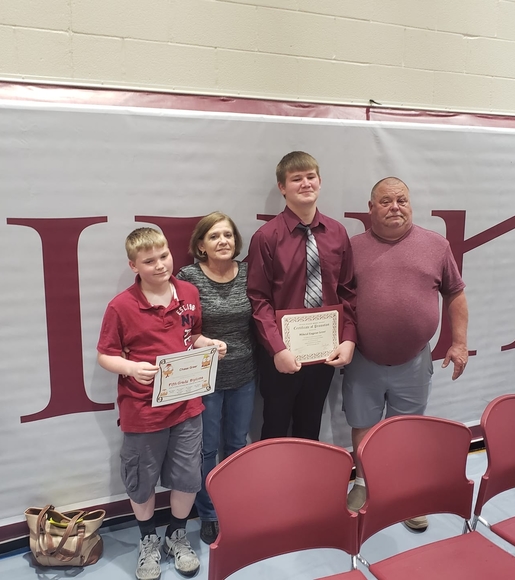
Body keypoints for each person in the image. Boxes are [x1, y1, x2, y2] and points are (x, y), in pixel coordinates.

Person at [97, 227, 226, 580]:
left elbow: (192, 335)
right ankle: (148, 540)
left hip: (187, 406)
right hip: (142, 411)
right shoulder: (121, 306)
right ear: (133, 266)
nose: (160, 265)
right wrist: (130, 368)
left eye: (164, 256)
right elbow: (105, 355)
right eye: (149, 261)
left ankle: (176, 535)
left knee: (187, 477)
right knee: (141, 480)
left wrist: (209, 344)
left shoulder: (188, 292)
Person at [343, 177, 469, 532]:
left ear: (410, 205)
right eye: (386, 201)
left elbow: (455, 294)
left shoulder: (436, 245)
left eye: (401, 200)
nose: (395, 207)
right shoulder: (351, 249)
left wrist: (459, 343)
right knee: (363, 425)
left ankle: (402, 490)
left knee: (407, 429)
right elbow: (339, 301)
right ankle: (363, 484)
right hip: (363, 359)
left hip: (414, 361)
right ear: (371, 208)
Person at [247, 151, 357, 440]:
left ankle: (307, 472)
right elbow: (258, 299)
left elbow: (347, 291)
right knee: (275, 428)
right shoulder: (266, 237)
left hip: (324, 352)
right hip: (281, 354)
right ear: (282, 187)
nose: (306, 183)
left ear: (320, 181)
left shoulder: (337, 233)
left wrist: (348, 338)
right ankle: (274, 473)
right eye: (296, 179)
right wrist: (278, 349)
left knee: (310, 428)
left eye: (311, 177)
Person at [176, 212, 256, 546]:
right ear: (201, 245)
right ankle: (208, 513)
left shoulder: (249, 273)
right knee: (206, 449)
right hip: (203, 379)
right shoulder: (188, 277)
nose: (223, 241)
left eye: (228, 235)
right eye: (214, 236)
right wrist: (203, 343)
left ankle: (234, 507)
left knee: (237, 445)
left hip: (244, 375)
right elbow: (179, 329)